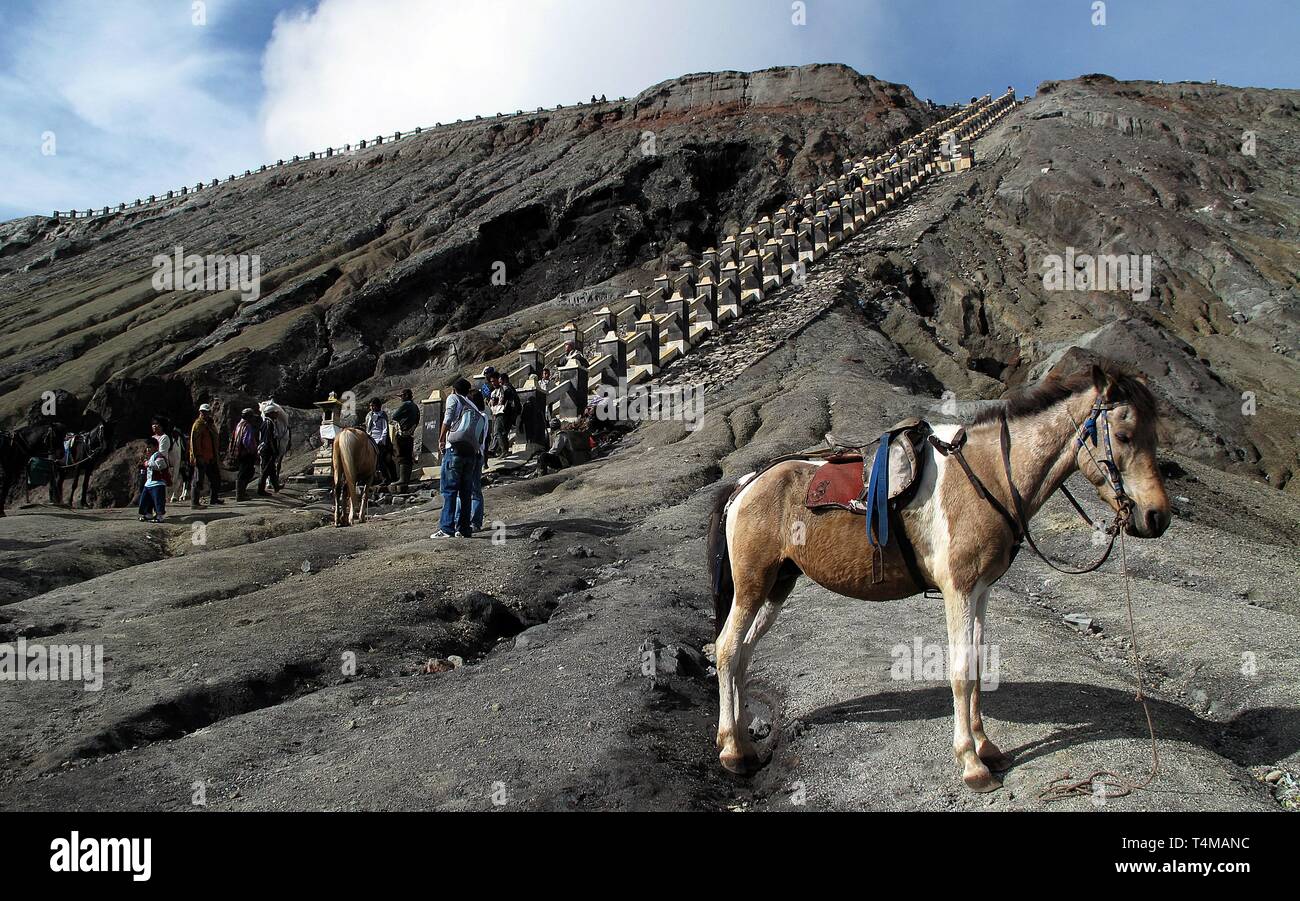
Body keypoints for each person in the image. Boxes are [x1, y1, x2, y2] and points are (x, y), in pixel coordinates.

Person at [433, 378, 484, 539]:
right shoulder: (474, 406)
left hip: (454, 449)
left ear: (454, 389)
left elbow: (448, 419)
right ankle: (464, 529)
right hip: (470, 453)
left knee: (449, 490)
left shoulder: (453, 398)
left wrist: (441, 439)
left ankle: (447, 528)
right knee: (466, 491)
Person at [189, 403, 222, 508]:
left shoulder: (209, 424)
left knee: (215, 478)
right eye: (203, 412)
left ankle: (214, 498)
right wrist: (198, 456)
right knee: (198, 480)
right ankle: (194, 502)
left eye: (207, 412)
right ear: (200, 412)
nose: (205, 414)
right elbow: (194, 442)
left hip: (211, 457)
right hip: (201, 457)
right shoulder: (198, 425)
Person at [391, 388, 420, 491]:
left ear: (406, 395)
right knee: (408, 456)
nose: (401, 398)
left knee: (402, 456)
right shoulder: (415, 407)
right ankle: (406, 478)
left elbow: (395, 416)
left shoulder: (406, 405)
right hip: (410, 434)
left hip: (402, 434)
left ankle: (402, 479)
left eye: (402, 396)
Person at [228, 408, 260, 501]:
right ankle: (240, 495)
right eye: (251, 417)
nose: (252, 419)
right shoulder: (247, 426)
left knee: (245, 472)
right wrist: (253, 451)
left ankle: (242, 493)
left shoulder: (239, 425)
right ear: (248, 417)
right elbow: (247, 441)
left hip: (239, 452)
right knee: (245, 473)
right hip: (246, 453)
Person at [488, 372, 521, 457]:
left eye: (494, 381)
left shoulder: (506, 389)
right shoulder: (493, 392)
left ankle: (502, 450)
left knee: (498, 431)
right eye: (491, 382)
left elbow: (510, 401)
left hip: (503, 413)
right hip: (496, 413)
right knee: (499, 432)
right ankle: (500, 450)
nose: (493, 383)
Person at [365, 398, 395, 487]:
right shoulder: (369, 415)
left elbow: (385, 429)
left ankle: (386, 478)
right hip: (371, 438)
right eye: (370, 406)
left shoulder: (382, 415)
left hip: (380, 440)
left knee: (381, 460)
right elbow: (368, 427)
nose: (371, 408)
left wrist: (382, 440)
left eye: (373, 406)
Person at [138, 437, 169, 522]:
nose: (148, 449)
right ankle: (148, 514)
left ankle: (159, 516)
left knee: (158, 501)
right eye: (147, 447)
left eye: (150, 447)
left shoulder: (158, 456)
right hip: (148, 483)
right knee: (145, 500)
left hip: (158, 483)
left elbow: (161, 465)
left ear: (156, 447)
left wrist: (148, 464)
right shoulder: (149, 457)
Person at [257, 408, 282, 495]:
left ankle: (276, 486)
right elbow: (269, 438)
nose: (276, 414)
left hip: (267, 449)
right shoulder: (268, 423)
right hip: (268, 450)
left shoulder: (269, 422)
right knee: (266, 470)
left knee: (271, 469)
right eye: (274, 413)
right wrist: (274, 450)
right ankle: (260, 489)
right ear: (270, 413)